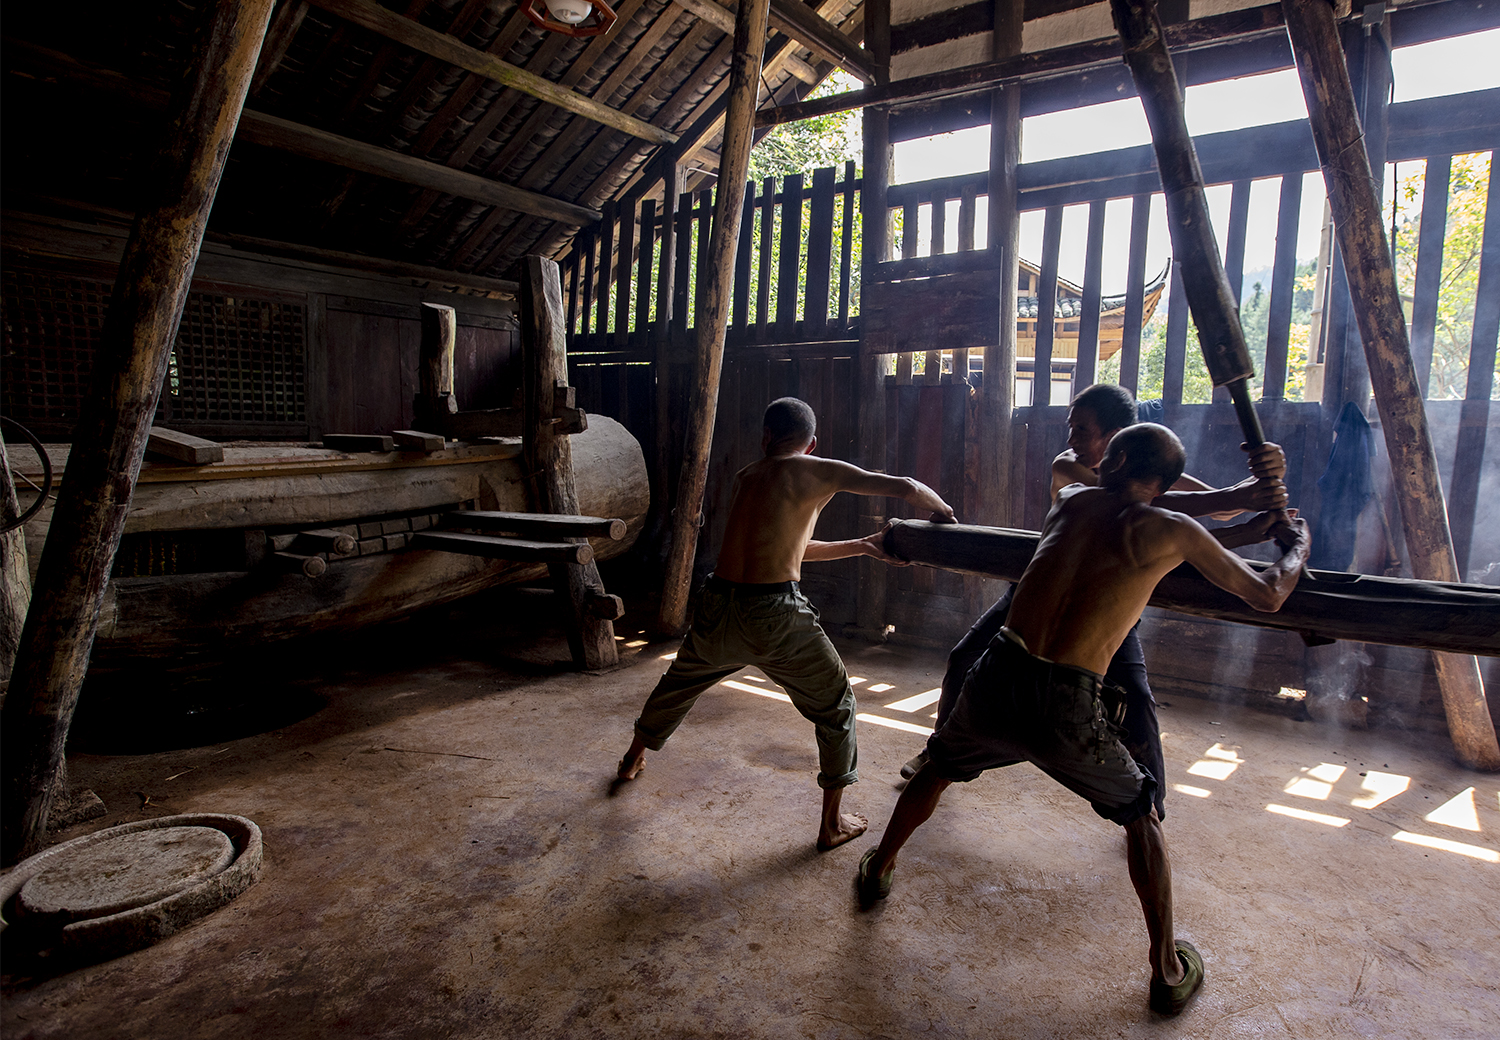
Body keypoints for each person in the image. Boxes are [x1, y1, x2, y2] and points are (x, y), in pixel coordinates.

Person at [858, 422, 1310, 1015]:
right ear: (1165, 480)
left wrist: (1248, 511)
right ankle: (1167, 969)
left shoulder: (1071, 501)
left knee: (939, 766)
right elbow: (1268, 593)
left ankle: (878, 868)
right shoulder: (1174, 530)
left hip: (1001, 670)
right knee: (1140, 815)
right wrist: (1292, 539)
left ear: (1115, 458)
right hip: (1067, 702)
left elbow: (1146, 508)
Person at [900, 384, 1290, 822]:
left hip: (1105, 611)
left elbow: (1203, 515)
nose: (1071, 438)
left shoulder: (1142, 465)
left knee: (1137, 702)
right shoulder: (1072, 470)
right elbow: (1163, 504)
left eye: (1081, 429)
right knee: (963, 658)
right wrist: (1239, 497)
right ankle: (940, 753)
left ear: (1118, 439)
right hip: (1038, 597)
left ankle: (1149, 810)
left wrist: (1256, 486)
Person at [617, 397, 956, 852]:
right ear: (812, 444)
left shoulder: (748, 476)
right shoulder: (819, 470)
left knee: (680, 682)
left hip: (718, 604)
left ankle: (631, 760)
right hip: (773, 614)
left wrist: (861, 545)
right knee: (836, 705)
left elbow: (789, 547)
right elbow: (907, 486)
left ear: (766, 437)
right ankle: (831, 824)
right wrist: (946, 517)